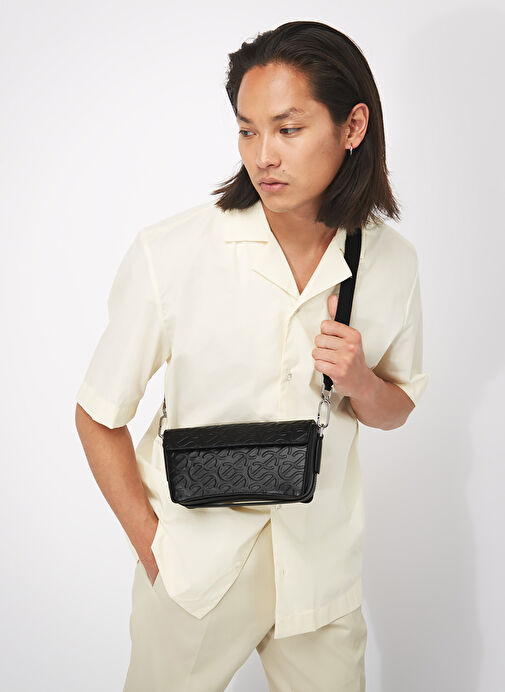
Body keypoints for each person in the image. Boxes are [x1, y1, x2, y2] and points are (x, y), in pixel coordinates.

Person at [75, 20, 429, 692]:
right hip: (195, 573)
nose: (263, 155)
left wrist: (358, 380)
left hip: (320, 576)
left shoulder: (390, 262)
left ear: (352, 127)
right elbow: (97, 415)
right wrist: (156, 551)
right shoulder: (173, 253)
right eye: (247, 130)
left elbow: (397, 408)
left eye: (288, 129)